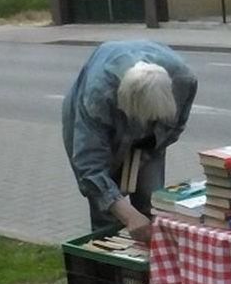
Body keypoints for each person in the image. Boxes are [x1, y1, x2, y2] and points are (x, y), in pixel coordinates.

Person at [61, 40, 197, 242]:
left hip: (148, 143)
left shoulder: (184, 81)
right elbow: (90, 168)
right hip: (96, 127)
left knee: (151, 203)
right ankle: (109, 267)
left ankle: (152, 265)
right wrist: (128, 215)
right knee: (108, 212)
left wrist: (146, 153)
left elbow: (175, 127)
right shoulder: (99, 96)